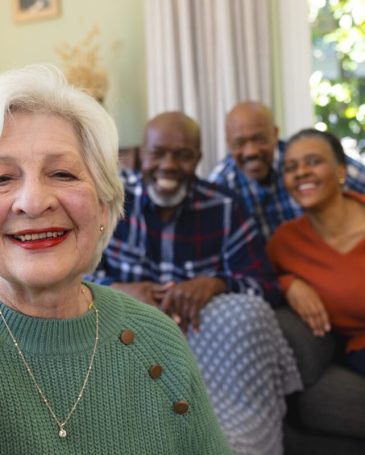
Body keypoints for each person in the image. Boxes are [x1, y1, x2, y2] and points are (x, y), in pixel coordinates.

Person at [0, 65, 232, 454]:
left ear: (105, 206)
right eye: (2, 178)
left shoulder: (156, 339)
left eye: (62, 173)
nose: (33, 201)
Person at [89, 111, 302, 455]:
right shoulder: (109, 203)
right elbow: (72, 275)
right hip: (126, 350)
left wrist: (218, 282)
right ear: (142, 154)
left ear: (198, 159)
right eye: (158, 154)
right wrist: (116, 289)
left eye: (183, 155)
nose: (169, 165)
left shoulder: (226, 207)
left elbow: (266, 286)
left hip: (209, 361)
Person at [267, 128, 365, 378]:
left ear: (341, 171)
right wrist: (289, 284)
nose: (301, 173)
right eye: (290, 168)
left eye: (314, 162)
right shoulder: (285, 241)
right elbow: (257, 278)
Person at [209, 101, 365, 240]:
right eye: (239, 143)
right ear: (228, 143)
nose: (251, 151)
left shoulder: (304, 154)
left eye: (259, 139)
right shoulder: (220, 185)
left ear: (275, 134)